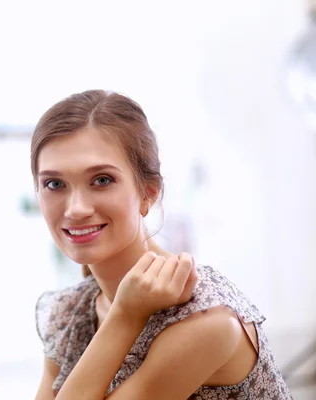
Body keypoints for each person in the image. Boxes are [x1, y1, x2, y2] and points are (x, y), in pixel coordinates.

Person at [31, 90, 292, 399]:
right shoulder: (70, 311)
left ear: (148, 193)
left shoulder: (206, 321)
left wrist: (126, 315)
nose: (75, 209)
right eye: (54, 184)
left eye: (102, 180)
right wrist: (124, 313)